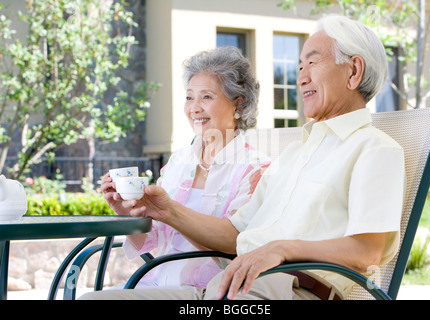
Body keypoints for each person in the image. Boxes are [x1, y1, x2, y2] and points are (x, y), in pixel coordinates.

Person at [80, 15, 405, 300]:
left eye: (313, 62)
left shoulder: (374, 149)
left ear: (353, 71)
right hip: (228, 287)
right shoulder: (296, 154)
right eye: (300, 66)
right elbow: (236, 233)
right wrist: (165, 211)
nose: (301, 77)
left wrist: (282, 249)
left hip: (284, 292)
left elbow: (367, 252)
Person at [100, 46, 270, 290]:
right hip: (156, 282)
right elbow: (153, 239)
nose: (194, 108)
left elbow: (236, 241)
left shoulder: (255, 169)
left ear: (239, 106)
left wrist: (171, 211)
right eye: (189, 97)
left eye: (207, 97)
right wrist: (124, 210)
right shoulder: (179, 162)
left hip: (210, 291)